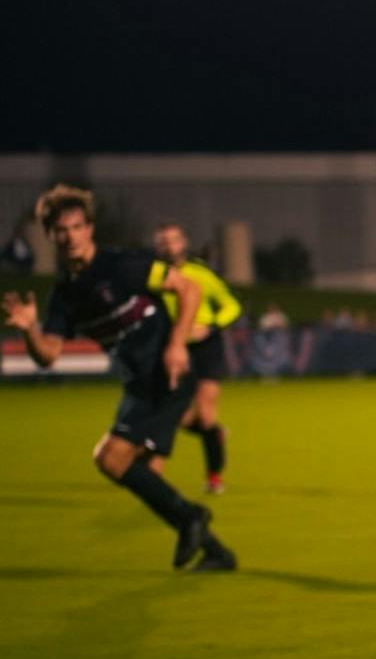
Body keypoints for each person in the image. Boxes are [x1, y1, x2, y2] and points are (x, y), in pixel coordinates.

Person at [1, 185, 236, 570]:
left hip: (167, 373)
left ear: (90, 228)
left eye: (77, 227)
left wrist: (177, 344)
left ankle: (192, 519)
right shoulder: (65, 296)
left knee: (113, 459)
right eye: (62, 230)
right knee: (128, 465)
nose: (71, 236)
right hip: (137, 385)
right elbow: (49, 356)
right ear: (50, 236)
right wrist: (29, 329)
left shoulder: (122, 265)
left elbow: (188, 288)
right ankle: (214, 549)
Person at [151, 221, 242, 493]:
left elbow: (231, 305)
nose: (170, 245)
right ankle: (214, 435)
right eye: (164, 241)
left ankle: (214, 477)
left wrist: (213, 324)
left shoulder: (200, 275)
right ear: (158, 246)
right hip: (172, 348)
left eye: (174, 239)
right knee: (172, 415)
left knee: (204, 414)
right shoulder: (153, 277)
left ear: (183, 243)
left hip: (206, 348)